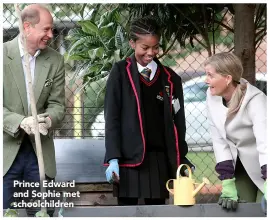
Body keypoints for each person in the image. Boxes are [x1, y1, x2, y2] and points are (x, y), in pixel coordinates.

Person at [104, 16, 195, 206]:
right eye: (145, 48)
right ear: (132, 43)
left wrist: (181, 156)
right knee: (127, 213)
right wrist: (113, 158)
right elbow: (112, 118)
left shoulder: (171, 79)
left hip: (158, 161)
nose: (151, 52)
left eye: (155, 47)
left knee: (157, 211)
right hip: (128, 161)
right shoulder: (120, 73)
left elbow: (179, 123)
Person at [3, 4, 65, 214]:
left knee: (42, 213)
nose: (51, 34)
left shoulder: (55, 60)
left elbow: (57, 105)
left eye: (52, 29)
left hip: (40, 155)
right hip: (5, 154)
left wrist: (47, 121)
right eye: (46, 29)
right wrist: (20, 122)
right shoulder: (2, 55)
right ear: (27, 27)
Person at [204, 52, 267, 210]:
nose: (206, 80)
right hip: (240, 165)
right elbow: (219, 140)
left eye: (210, 75)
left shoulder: (256, 100)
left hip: (265, 163)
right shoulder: (211, 96)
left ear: (227, 78)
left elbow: (266, 143)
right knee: (239, 208)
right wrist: (227, 181)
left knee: (263, 209)